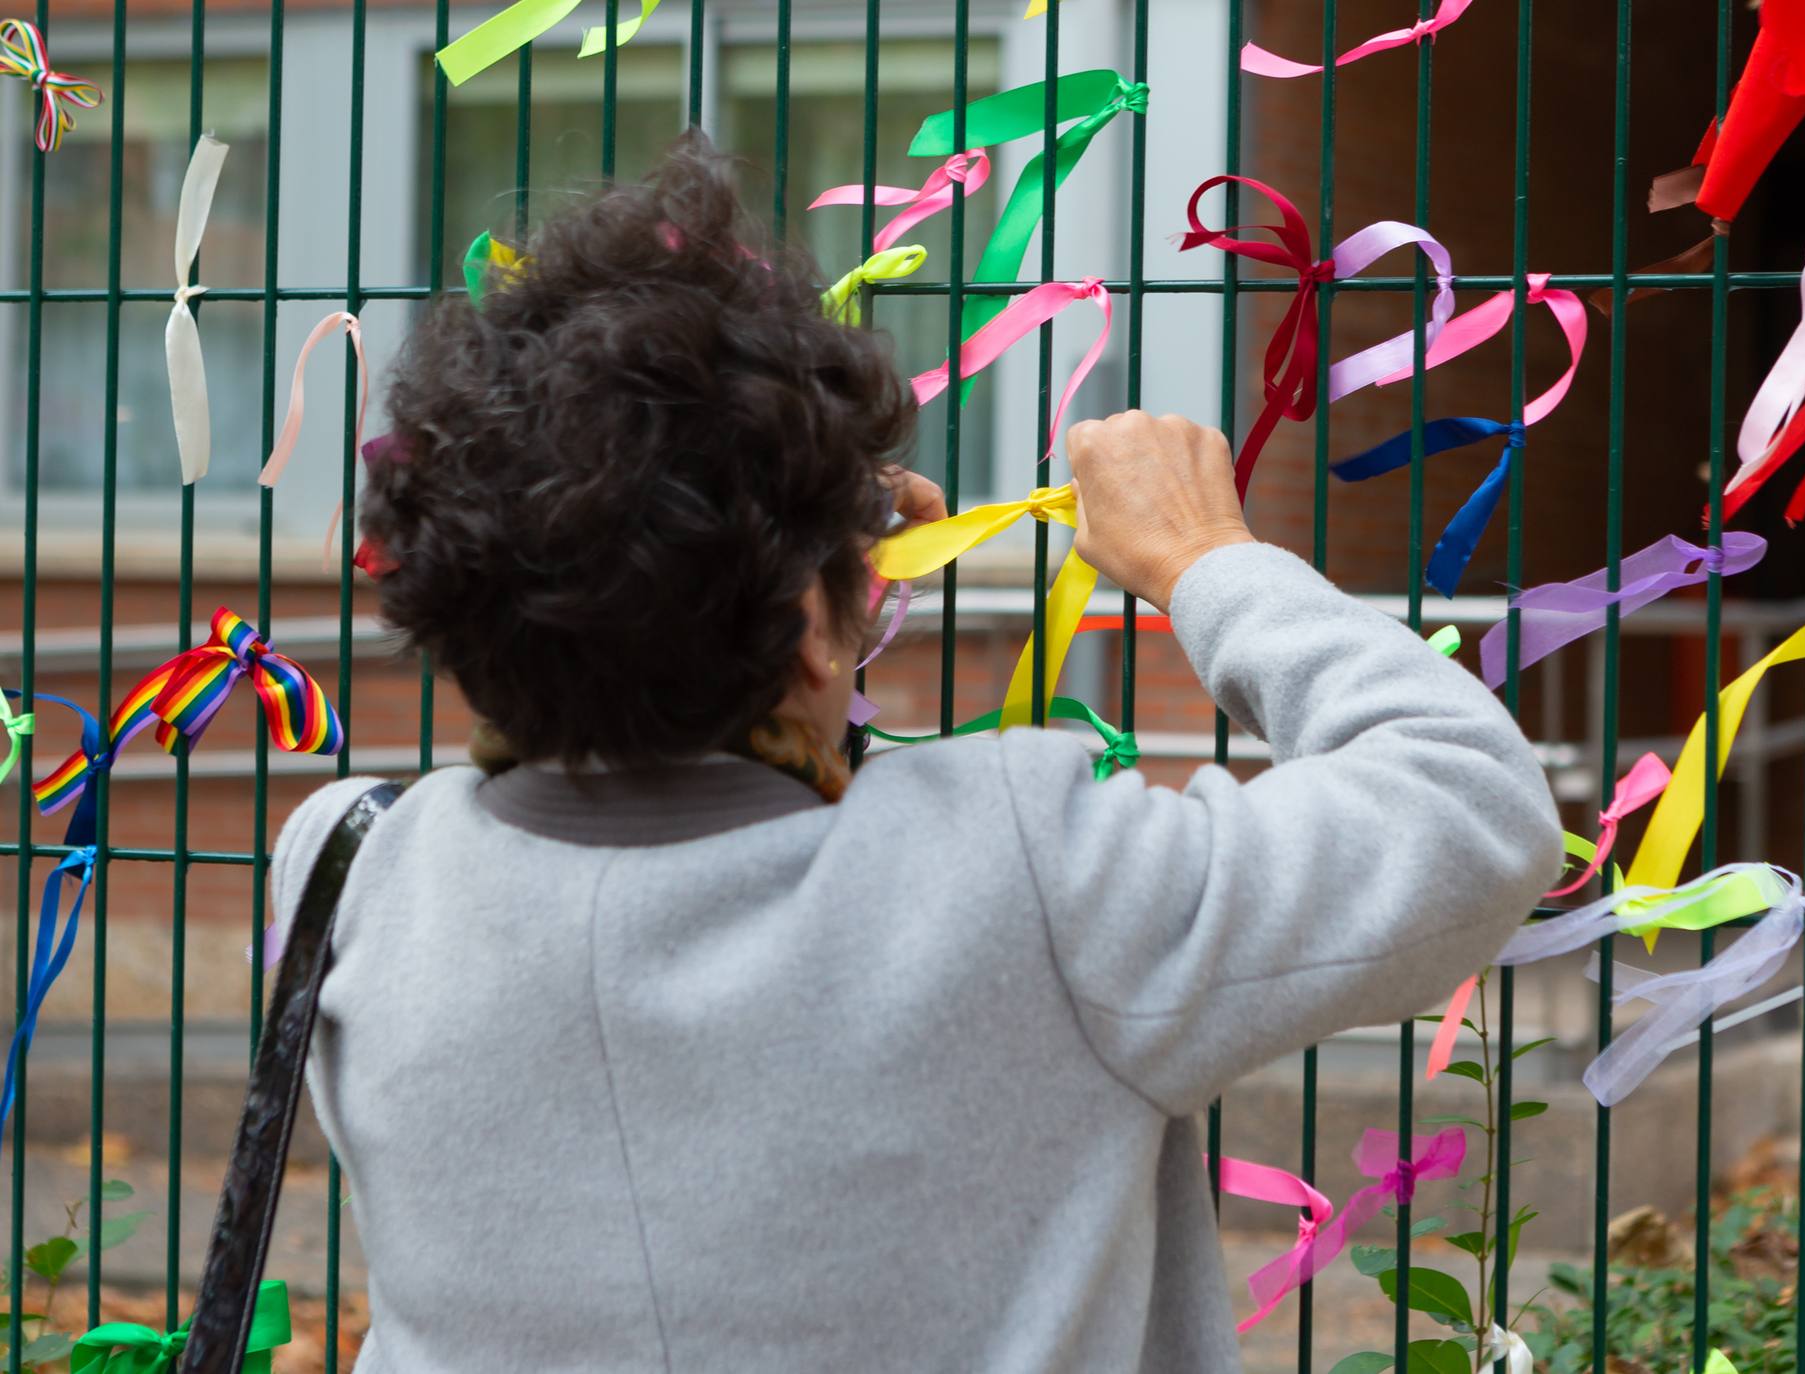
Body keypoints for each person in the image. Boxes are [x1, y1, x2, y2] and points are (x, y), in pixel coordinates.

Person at [274, 133, 1557, 1373]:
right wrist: (1201, 557)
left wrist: (812, 566)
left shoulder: (348, 877)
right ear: (809, 635)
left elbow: (702, 765)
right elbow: (1469, 803)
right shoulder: (1031, 879)